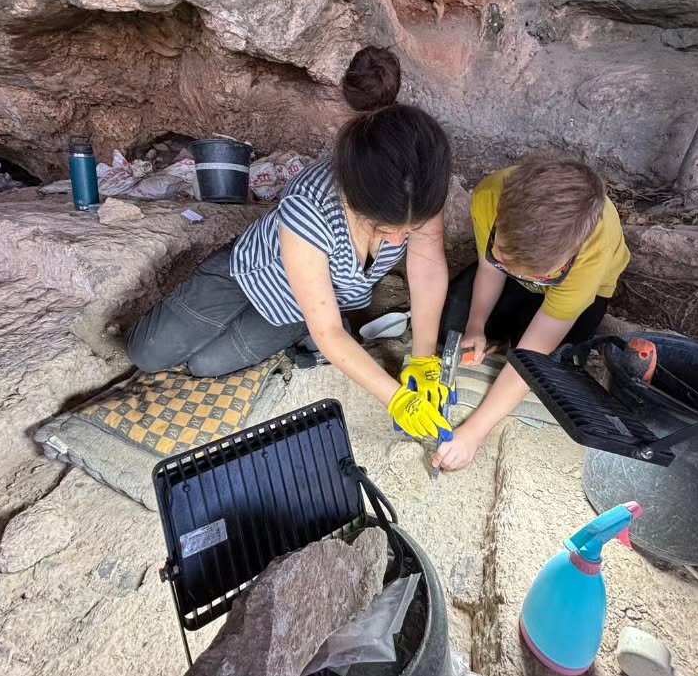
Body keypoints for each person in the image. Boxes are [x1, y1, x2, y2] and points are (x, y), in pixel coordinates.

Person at [127, 47, 454, 440]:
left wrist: (423, 358)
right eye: (385, 231)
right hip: (251, 273)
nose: (401, 241)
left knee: (204, 365)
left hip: (306, 305)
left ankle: (301, 327)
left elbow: (428, 267)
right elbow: (331, 333)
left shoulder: (418, 192)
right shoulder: (310, 205)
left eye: (410, 230)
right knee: (148, 355)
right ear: (353, 197)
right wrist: (398, 399)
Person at [433, 156, 630, 470]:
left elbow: (533, 352)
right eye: (504, 251)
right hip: (508, 278)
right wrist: (475, 325)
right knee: (451, 330)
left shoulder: (592, 248)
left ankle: (512, 323)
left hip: (577, 294)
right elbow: (490, 267)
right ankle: (500, 327)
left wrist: (474, 432)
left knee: (548, 370)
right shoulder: (489, 196)